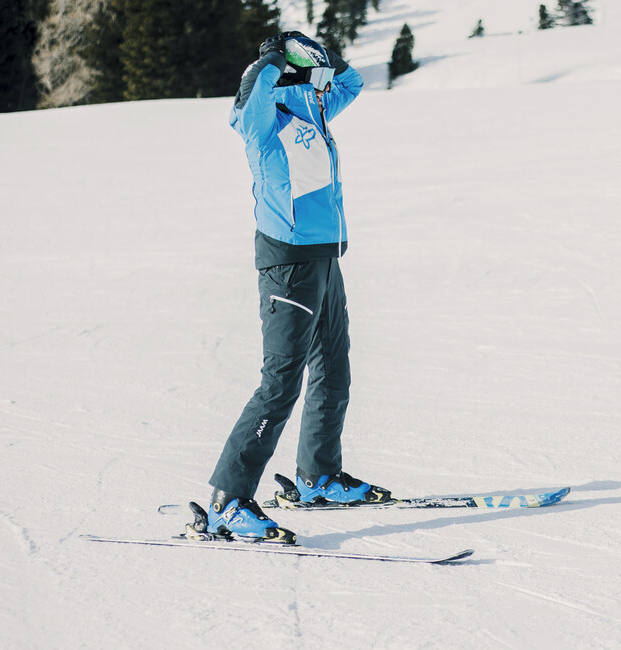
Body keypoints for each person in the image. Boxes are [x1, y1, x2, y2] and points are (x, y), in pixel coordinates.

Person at [205, 32, 390, 542]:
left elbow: (350, 83)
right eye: (299, 73)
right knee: (280, 384)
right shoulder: (261, 124)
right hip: (287, 262)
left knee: (333, 370)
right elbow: (251, 96)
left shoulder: (312, 110)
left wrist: (315, 52)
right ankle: (228, 500)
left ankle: (318, 477)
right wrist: (272, 56)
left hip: (325, 257)